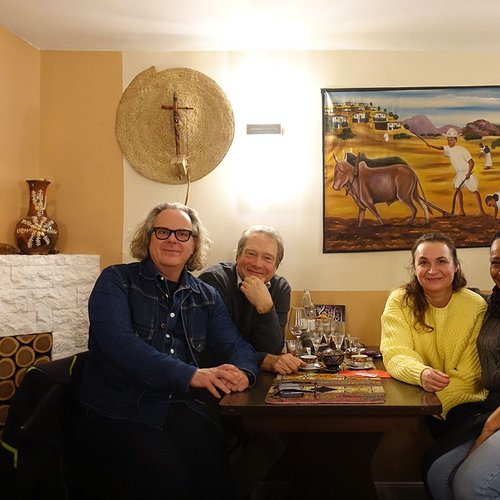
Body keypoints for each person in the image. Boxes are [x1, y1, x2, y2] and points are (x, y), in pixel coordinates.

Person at [73, 202, 258, 500]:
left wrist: (244, 373)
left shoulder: (206, 295)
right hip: (117, 408)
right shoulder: (116, 280)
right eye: (163, 231)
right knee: (172, 480)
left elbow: (237, 346)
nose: (172, 239)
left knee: (219, 478)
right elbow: (120, 344)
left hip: (176, 406)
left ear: (193, 244)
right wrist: (191, 374)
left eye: (182, 234)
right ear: (148, 238)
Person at [380, 232, 487, 431]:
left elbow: (471, 375)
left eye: (441, 261)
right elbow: (395, 353)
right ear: (415, 268)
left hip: (461, 402)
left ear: (456, 266)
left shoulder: (476, 305)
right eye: (423, 263)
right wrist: (422, 374)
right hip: (414, 393)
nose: (432, 270)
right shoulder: (400, 300)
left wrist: (432, 404)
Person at [424, 233, 500, 499]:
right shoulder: (492, 305)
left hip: (495, 415)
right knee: (438, 473)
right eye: (496, 262)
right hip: (490, 407)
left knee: (472, 485)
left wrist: (488, 429)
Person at [199, 225, 304, 375]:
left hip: (256, 374)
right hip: (217, 374)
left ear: (276, 265)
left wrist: (266, 308)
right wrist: (264, 360)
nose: (257, 264)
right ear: (238, 256)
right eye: (251, 254)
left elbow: (272, 349)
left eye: (267, 258)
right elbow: (218, 345)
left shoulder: (280, 288)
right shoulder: (213, 281)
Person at [422, 128, 485, 216]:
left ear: (455, 140)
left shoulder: (462, 149)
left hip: (466, 172)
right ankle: (461, 211)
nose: (449, 142)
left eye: (451, 140)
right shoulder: (448, 149)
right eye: (448, 140)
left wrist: (468, 173)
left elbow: (471, 162)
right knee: (457, 188)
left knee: (474, 190)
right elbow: (441, 148)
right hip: (459, 173)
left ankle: (481, 211)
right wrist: (431, 145)